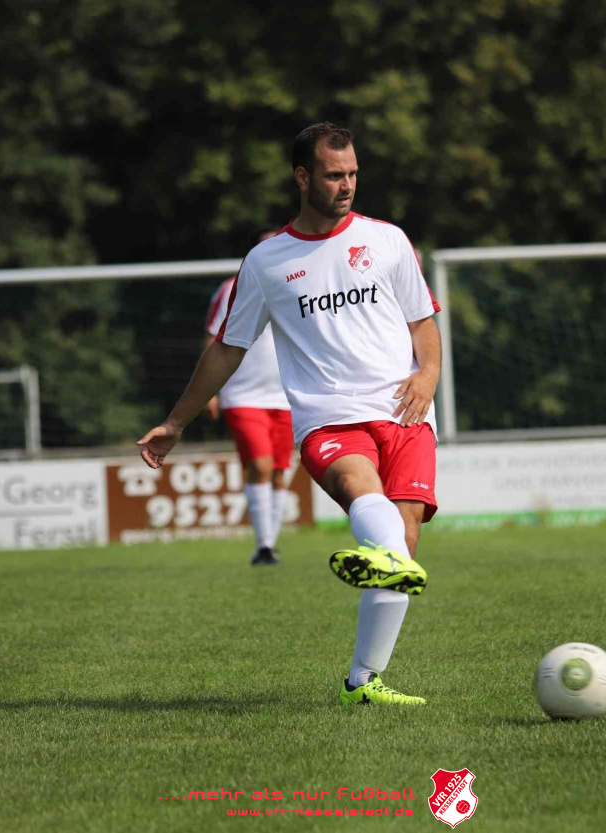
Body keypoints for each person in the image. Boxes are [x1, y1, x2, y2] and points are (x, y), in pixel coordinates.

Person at [138, 122, 442, 706]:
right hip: (329, 418)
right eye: (333, 175)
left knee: (400, 547)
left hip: (405, 413)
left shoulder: (388, 240)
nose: (347, 185)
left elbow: (422, 323)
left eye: (353, 174)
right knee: (367, 501)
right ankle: (378, 565)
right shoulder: (266, 261)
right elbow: (227, 347)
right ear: (302, 177)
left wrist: (427, 375)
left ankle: (363, 681)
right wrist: (176, 422)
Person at [203, 230, 294, 566]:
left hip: (287, 395)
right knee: (260, 465)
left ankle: (270, 544)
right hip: (242, 394)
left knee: (280, 472)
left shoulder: (298, 285)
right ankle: (264, 546)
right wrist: (209, 389)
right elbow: (213, 338)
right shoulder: (232, 287)